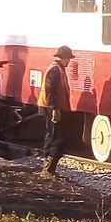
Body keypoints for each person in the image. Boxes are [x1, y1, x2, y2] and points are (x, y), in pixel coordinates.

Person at [39, 46, 76, 175]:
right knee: (56, 137)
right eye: (69, 58)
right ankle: (48, 170)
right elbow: (50, 90)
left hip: (53, 107)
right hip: (53, 107)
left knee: (54, 136)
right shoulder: (55, 70)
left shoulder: (56, 68)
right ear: (65, 58)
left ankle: (49, 169)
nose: (69, 61)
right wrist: (54, 108)